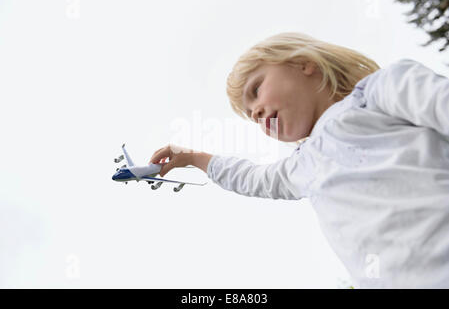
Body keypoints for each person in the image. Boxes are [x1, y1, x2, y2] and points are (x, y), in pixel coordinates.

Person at [150, 32, 449, 288]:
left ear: (303, 64)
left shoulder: (377, 92)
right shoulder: (301, 167)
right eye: (251, 115)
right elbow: (250, 178)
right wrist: (192, 157)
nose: (255, 113)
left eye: (256, 90)